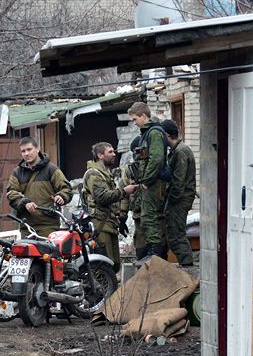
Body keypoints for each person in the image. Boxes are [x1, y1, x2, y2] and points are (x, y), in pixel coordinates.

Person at [82, 142, 139, 273]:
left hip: (110, 224)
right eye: (110, 152)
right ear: (100, 155)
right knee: (104, 266)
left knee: (114, 265)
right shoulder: (93, 174)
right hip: (100, 224)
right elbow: (102, 197)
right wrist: (124, 191)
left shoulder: (106, 173)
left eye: (114, 151)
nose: (114, 154)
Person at [6, 137, 73, 237]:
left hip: (48, 225)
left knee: (48, 252)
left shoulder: (51, 169)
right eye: (23, 151)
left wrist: (61, 197)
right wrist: (25, 203)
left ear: (37, 149)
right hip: (26, 226)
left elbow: (66, 189)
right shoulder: (17, 173)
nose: (26, 153)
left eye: (29, 149)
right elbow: (11, 193)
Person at [127, 102, 169, 261]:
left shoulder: (154, 133)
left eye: (135, 119)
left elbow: (156, 160)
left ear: (144, 116)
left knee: (149, 217)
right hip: (150, 182)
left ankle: (156, 252)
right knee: (147, 218)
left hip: (153, 183)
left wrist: (146, 180)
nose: (134, 122)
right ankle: (154, 251)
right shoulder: (147, 133)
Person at [161, 119, 197, 266]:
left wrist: (172, 200)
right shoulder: (176, 151)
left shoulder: (181, 151)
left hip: (180, 199)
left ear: (166, 134)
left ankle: (188, 266)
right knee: (173, 233)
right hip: (178, 198)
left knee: (176, 234)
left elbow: (179, 180)